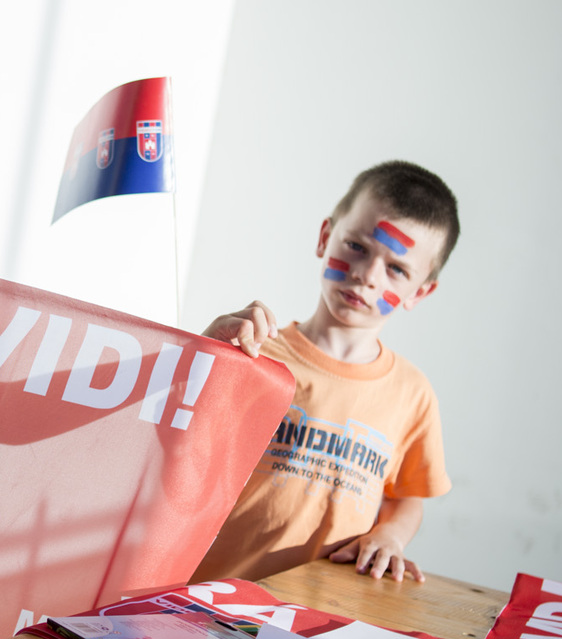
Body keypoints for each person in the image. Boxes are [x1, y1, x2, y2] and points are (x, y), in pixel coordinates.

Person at [196, 160, 458, 583]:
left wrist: (391, 535)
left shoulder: (412, 394)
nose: (366, 275)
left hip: (319, 611)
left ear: (420, 292)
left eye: (396, 269)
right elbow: (176, 446)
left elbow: (407, 496)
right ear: (325, 238)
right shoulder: (254, 351)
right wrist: (204, 356)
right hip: (214, 595)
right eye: (356, 246)